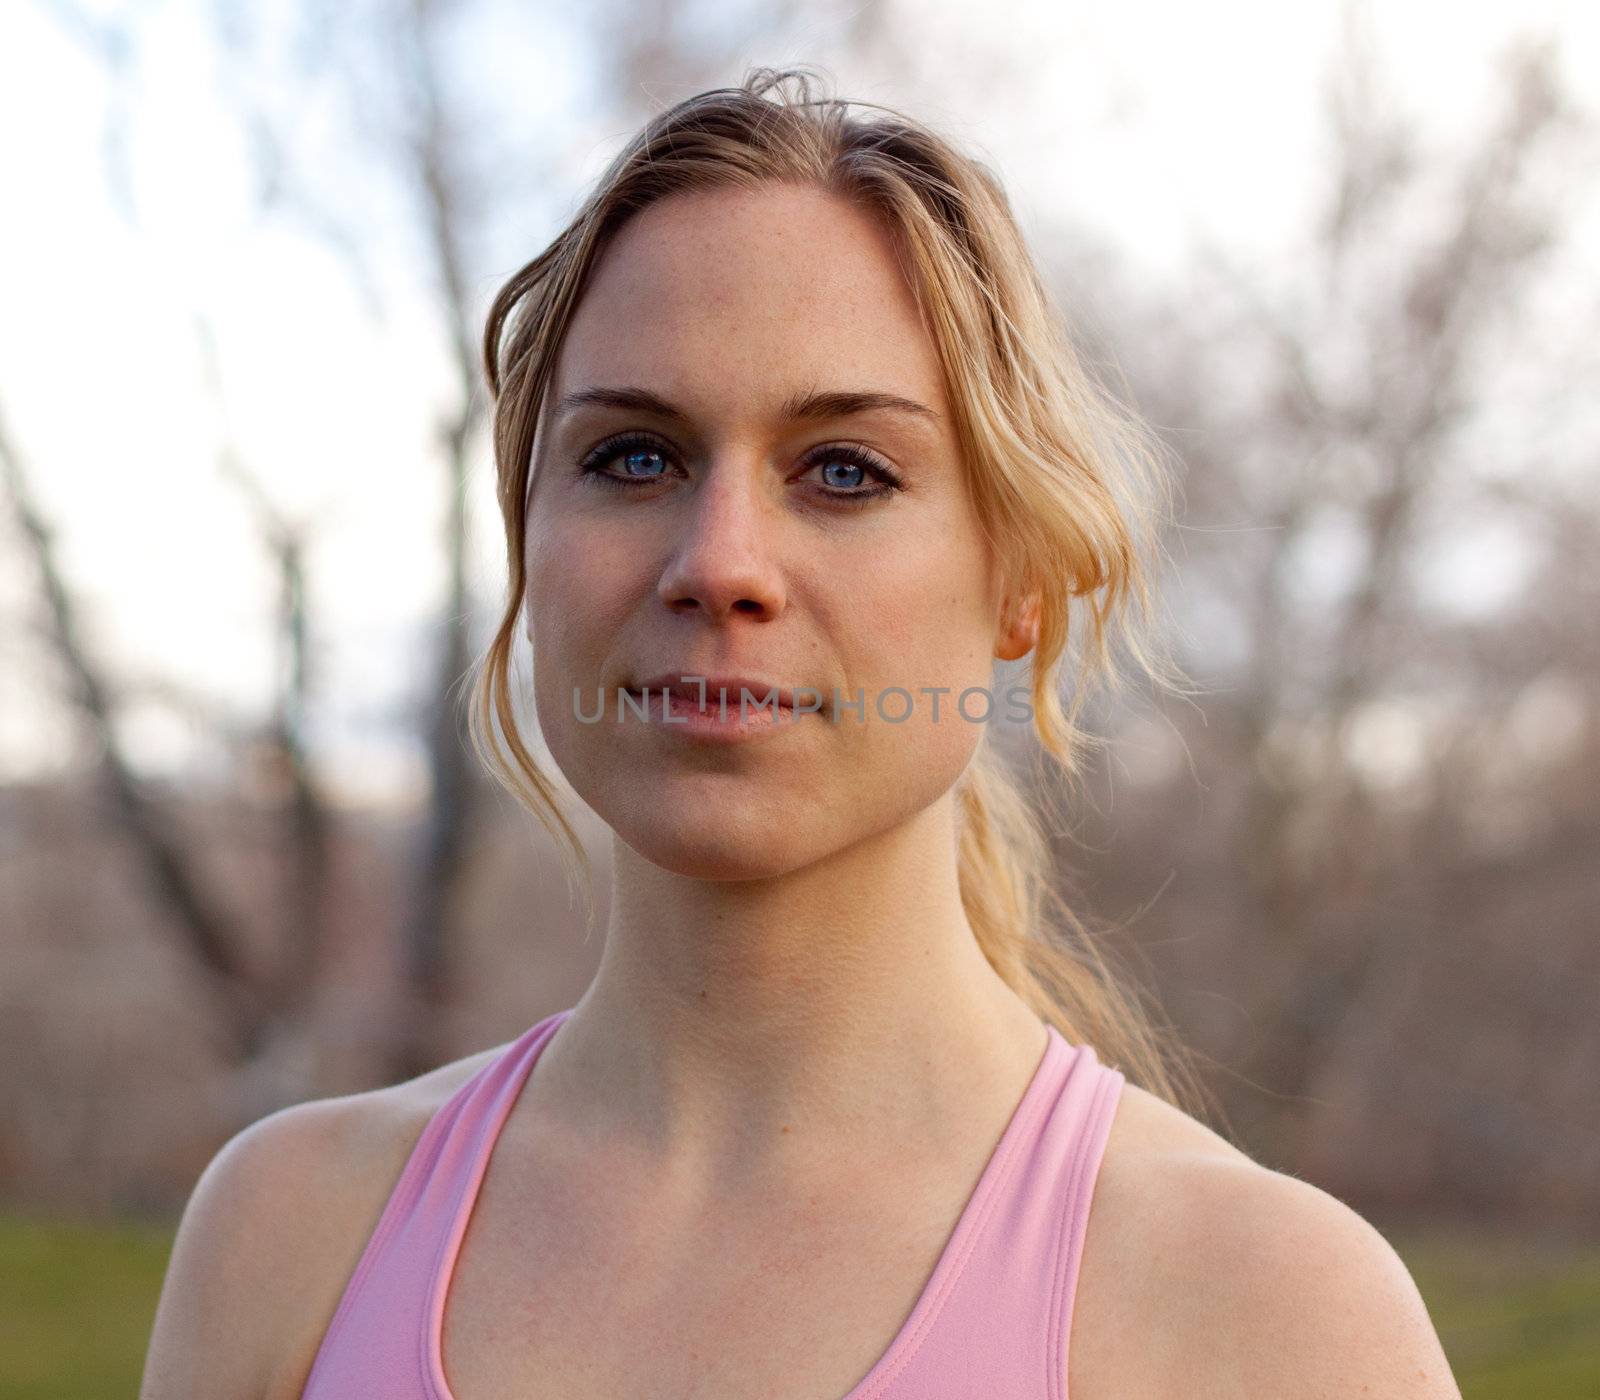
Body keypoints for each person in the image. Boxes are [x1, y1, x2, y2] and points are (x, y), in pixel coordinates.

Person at [141, 66, 1461, 1399]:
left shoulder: (1269, 1312)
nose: (720, 565)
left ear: (1020, 587)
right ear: (528, 549)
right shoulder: (290, 1237)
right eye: (634, 458)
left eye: (846, 471)